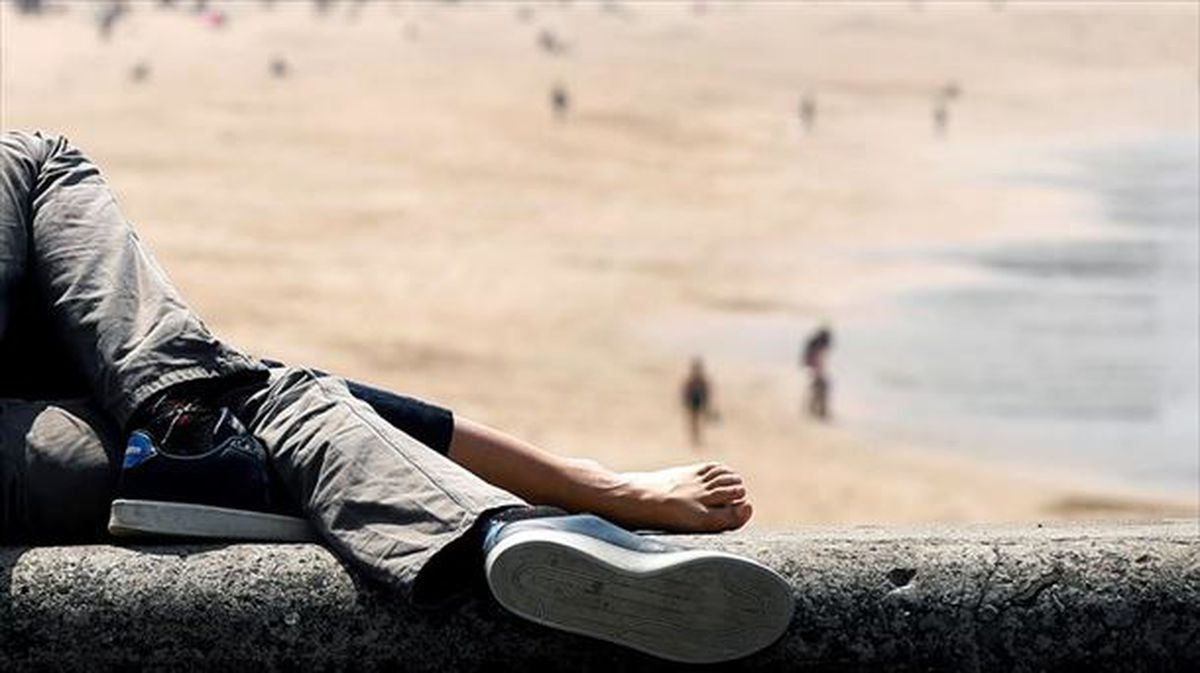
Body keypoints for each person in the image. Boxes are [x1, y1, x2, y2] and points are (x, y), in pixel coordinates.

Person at [0, 130, 793, 663]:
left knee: (236, 395)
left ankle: (505, 526)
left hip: (54, 465)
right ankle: (519, 517)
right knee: (35, 151)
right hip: (55, 455)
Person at [680, 357, 715, 448]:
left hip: (699, 403)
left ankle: (697, 439)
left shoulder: (701, 380)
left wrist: (707, 404)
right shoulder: (692, 380)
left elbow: (707, 393)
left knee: (698, 422)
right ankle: (695, 439)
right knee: (694, 422)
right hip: (693, 403)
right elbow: (686, 392)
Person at [801, 324, 833, 420]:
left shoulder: (814, 343)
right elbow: (816, 360)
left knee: (817, 389)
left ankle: (813, 410)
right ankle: (820, 412)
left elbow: (812, 360)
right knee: (822, 387)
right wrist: (818, 372)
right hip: (814, 368)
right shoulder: (818, 345)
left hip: (812, 367)